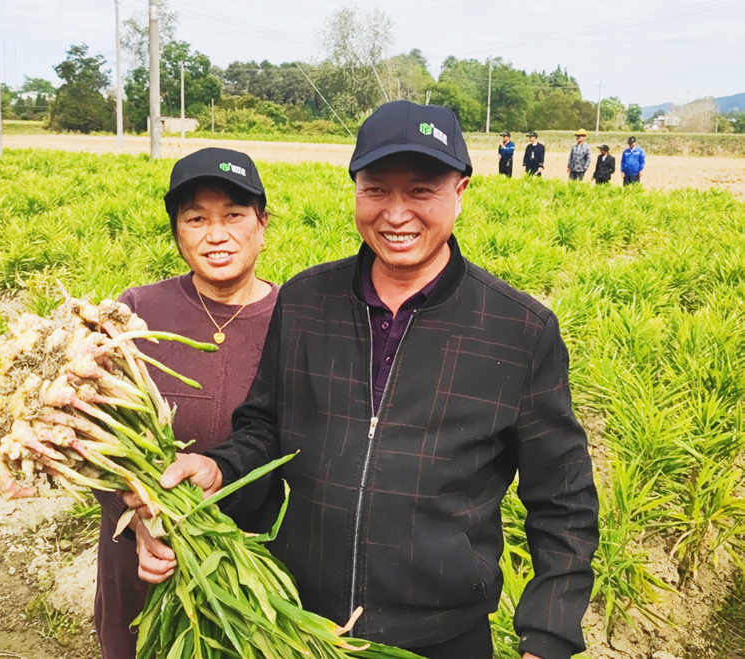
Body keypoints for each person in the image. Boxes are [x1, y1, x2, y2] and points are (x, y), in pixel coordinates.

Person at [129, 101, 599, 659]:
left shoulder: (518, 328)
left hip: (442, 637)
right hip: (299, 627)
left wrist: (547, 638)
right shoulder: (306, 301)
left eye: (421, 190)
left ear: (461, 191)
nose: (396, 214)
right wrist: (218, 466)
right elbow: (264, 429)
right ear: (355, 189)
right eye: (376, 189)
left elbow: (563, 501)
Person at [93, 147, 279, 659]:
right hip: (141, 565)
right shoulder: (135, 312)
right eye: (196, 218)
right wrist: (136, 525)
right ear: (177, 232)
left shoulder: (295, 319)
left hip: (247, 576)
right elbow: (95, 438)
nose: (216, 235)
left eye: (234, 216)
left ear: (262, 224)